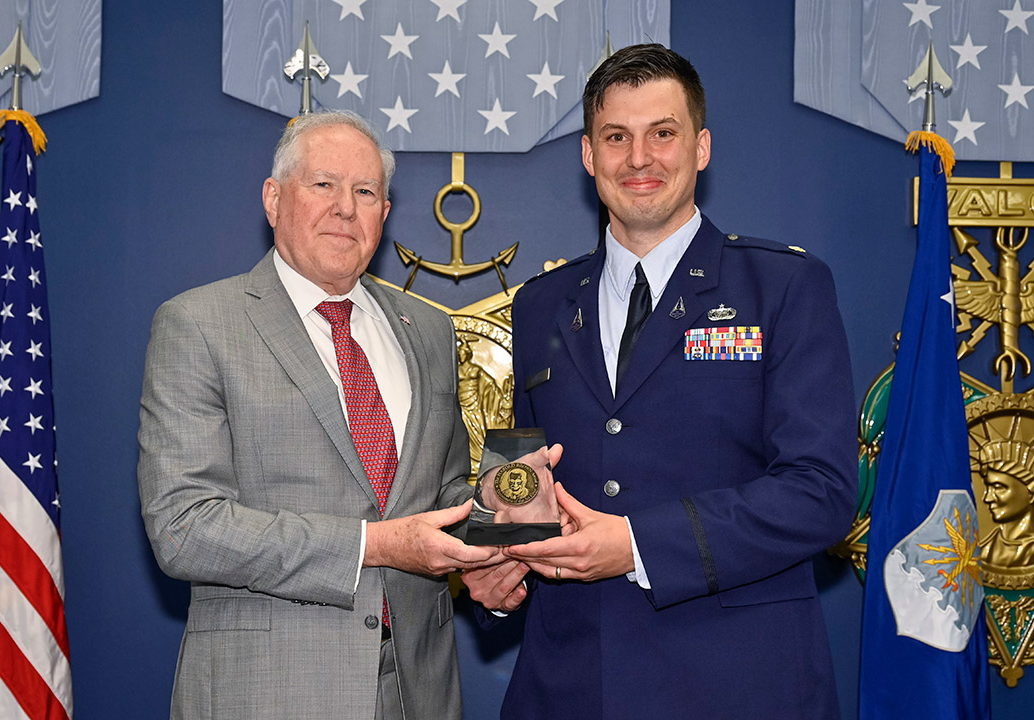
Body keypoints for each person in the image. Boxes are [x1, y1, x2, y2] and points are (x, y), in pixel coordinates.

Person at [462, 44, 858, 718]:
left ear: (701, 148)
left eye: (662, 134)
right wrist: (495, 556)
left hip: (738, 682)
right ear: (590, 156)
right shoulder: (539, 304)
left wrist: (639, 544)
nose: (639, 159)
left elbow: (821, 494)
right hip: (569, 682)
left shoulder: (784, 287)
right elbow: (522, 474)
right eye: (616, 137)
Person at [138, 110, 499, 720]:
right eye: (323, 185)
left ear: (385, 215)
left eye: (365, 192)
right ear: (273, 199)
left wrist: (499, 527)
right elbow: (184, 528)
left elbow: (441, 496)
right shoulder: (198, 325)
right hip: (267, 694)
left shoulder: (430, 329)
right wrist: (374, 545)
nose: (345, 208)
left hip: (418, 691)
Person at [978, 440, 1034, 571]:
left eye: (998, 487)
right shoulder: (985, 550)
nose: (987, 498)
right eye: (988, 488)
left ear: (1031, 492)